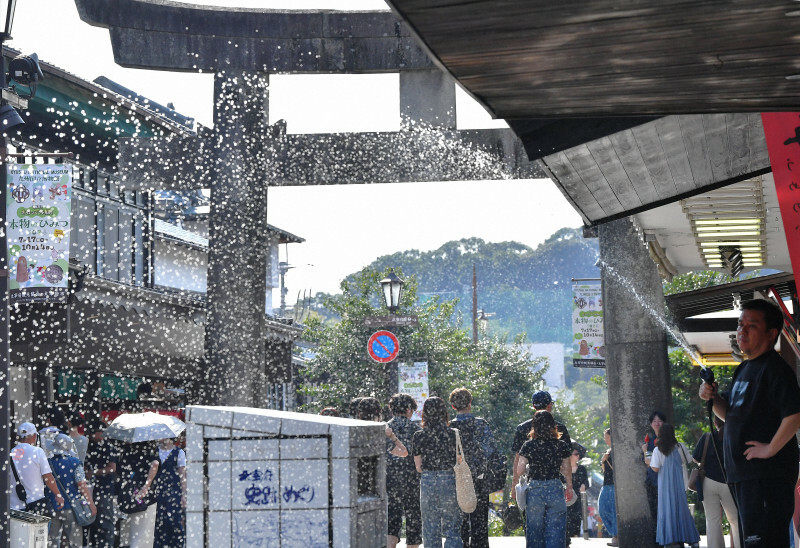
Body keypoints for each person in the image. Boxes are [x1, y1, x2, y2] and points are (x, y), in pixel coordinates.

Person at [699, 298, 800, 548]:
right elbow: (731, 415)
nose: (742, 330)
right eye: (740, 324)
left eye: (751, 326)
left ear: (770, 333)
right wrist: (714, 398)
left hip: (766, 477)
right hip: (744, 477)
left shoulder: (775, 369)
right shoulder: (744, 368)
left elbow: (795, 414)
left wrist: (770, 448)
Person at [513, 410, 573, 548]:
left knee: (534, 529)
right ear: (554, 426)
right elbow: (566, 470)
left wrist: (530, 466)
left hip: (535, 489)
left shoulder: (528, 445)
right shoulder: (561, 445)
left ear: (534, 427)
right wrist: (569, 487)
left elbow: (519, 470)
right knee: (556, 529)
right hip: (555, 488)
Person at [449, 387, 499, 548]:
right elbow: (491, 450)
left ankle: (462, 544)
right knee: (480, 521)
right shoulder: (480, 424)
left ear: (453, 406)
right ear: (470, 403)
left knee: (460, 519)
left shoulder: (450, 427)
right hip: (479, 477)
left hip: (458, 479)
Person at [412, 396, 463, 548]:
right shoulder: (453, 433)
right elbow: (459, 460)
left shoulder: (419, 435)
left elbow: (418, 467)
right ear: (444, 412)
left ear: (425, 413)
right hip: (449, 478)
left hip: (427, 479)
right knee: (452, 524)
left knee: (430, 525)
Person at [649, 423, 700, 548]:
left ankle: (671, 540)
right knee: (682, 510)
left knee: (667, 511)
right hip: (680, 484)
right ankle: (691, 539)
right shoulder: (680, 447)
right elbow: (689, 460)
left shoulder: (658, 450)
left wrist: (646, 454)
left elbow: (655, 468)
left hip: (665, 487)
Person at [511, 390, 571, 496]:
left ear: (534, 406)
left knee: (533, 512)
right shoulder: (560, 428)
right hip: (557, 484)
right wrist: (569, 486)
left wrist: (514, 485)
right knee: (556, 512)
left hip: (532, 484)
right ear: (549, 405)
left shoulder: (523, 428)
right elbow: (567, 461)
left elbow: (517, 459)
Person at [694, 416, 739, 548]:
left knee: (713, 521)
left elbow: (696, 459)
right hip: (729, 483)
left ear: (714, 422)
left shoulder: (707, 437)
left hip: (708, 482)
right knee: (735, 520)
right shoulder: (734, 436)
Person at [47, 433, 96, 548]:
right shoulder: (75, 462)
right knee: (74, 542)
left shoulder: (48, 463)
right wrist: (91, 504)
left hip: (53, 506)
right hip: (71, 507)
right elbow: (81, 484)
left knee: (51, 541)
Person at [386, 393, 422, 548]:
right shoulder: (416, 429)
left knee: (392, 517)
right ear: (408, 409)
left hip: (390, 479)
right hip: (412, 480)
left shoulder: (384, 428)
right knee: (414, 517)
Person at [9, 421, 64, 516]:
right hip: (36, 505)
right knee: (41, 530)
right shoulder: (37, 452)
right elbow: (47, 477)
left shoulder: (10, 454)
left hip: (14, 507)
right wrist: (57, 494)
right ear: (34, 436)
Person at [117, 441, 160, 548]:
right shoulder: (150, 449)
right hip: (147, 498)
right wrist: (146, 486)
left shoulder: (126, 450)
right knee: (145, 533)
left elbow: (120, 470)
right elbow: (155, 464)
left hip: (130, 497)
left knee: (133, 532)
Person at [85, 418, 118, 548]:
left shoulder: (108, 447)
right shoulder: (89, 446)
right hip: (91, 488)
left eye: (95, 432)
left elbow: (112, 468)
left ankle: (107, 545)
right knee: (93, 521)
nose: (93, 435)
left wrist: (94, 472)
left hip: (104, 488)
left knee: (105, 520)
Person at [154, 437, 186, 548]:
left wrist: (183, 494)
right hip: (158, 491)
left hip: (174, 491)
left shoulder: (179, 452)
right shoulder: (155, 451)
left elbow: (182, 474)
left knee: (174, 520)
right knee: (158, 521)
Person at [642, 410, 666, 522]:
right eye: (654, 421)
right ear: (651, 424)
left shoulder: (668, 440)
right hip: (652, 480)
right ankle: (657, 537)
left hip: (664, 480)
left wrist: (645, 452)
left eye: (659, 421)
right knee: (654, 510)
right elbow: (646, 461)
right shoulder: (650, 441)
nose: (657, 423)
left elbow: (649, 461)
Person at [598, 428, 617, 547]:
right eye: (605, 437)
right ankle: (614, 533)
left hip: (614, 485)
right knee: (602, 509)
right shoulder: (608, 451)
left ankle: (616, 536)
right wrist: (603, 461)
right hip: (606, 484)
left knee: (614, 510)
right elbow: (604, 471)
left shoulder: (616, 451)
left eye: (607, 437)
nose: (606, 440)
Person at [566, 442, 589, 542]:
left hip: (578, 499)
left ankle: (576, 538)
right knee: (567, 519)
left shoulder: (582, 469)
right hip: (567, 499)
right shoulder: (564, 469)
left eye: (578, 454)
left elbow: (586, 482)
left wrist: (584, 485)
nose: (577, 456)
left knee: (577, 520)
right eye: (575, 454)